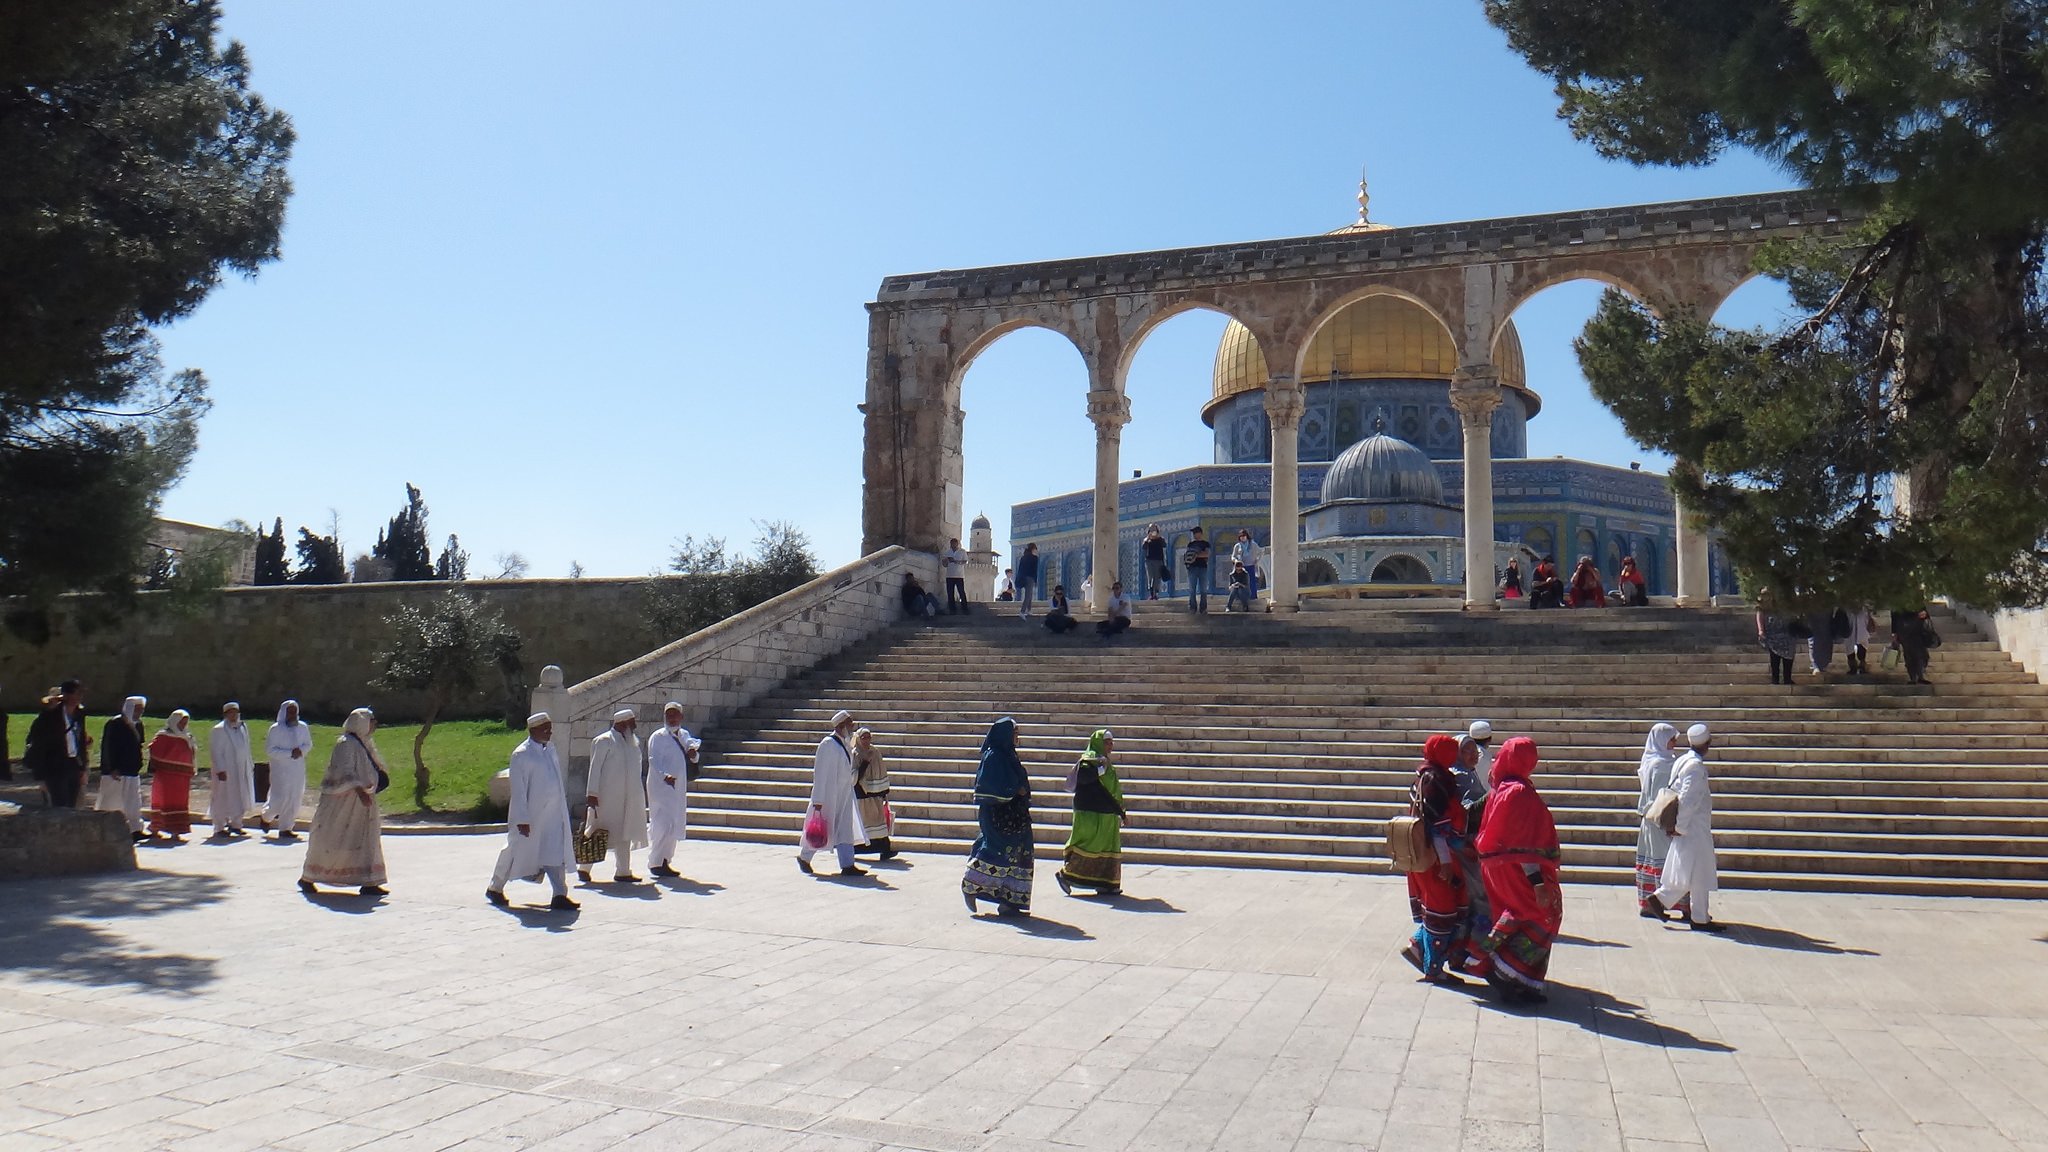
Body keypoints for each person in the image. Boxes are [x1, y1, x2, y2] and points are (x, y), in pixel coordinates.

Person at [1475, 736, 1563, 1003]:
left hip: (1497, 866)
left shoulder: (1502, 787)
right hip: (1516, 867)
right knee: (1543, 914)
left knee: (1517, 915)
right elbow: (1523, 842)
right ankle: (1506, 973)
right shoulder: (1518, 792)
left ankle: (1524, 981)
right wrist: (1536, 882)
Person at [487, 712, 578, 910]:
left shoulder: (549, 749)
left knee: (554, 851)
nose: (549, 732)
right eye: (545, 728)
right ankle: (495, 887)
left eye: (550, 728)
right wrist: (522, 818)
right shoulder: (522, 754)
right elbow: (519, 790)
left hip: (553, 815)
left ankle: (560, 894)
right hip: (531, 816)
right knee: (514, 850)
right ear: (533, 730)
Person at [1399, 734, 1470, 985]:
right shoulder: (1435, 781)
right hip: (1437, 860)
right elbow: (1438, 828)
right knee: (1442, 911)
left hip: (1425, 857)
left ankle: (1418, 946)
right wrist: (1447, 864)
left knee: (1441, 909)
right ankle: (1434, 967)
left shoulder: (1424, 776)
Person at [298, 708, 389, 897]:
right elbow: (343, 771)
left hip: (362, 802)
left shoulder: (365, 743)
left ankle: (369, 880)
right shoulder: (345, 744)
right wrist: (358, 789)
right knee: (333, 839)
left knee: (365, 838)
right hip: (343, 802)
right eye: (371, 720)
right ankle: (309, 877)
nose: (374, 725)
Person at [1645, 723, 1724, 931]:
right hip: (1693, 827)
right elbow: (1688, 799)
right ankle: (1688, 911)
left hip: (1689, 827)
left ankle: (1690, 911)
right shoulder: (1695, 767)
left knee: (1690, 870)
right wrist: (1680, 826)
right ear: (1707, 744)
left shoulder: (1683, 760)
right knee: (1695, 871)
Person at [962, 717, 1033, 916]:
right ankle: (972, 885)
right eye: (1014, 734)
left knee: (1020, 853)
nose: (1017, 738)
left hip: (1017, 815)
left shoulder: (1010, 755)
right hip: (997, 816)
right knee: (996, 849)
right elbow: (987, 788)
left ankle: (1010, 901)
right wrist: (1013, 790)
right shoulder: (993, 757)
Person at [798, 709, 866, 876]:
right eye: (850, 723)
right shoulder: (828, 744)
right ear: (841, 725)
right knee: (822, 829)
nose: (852, 727)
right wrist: (818, 800)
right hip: (828, 796)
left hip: (844, 794)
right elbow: (820, 773)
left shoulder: (845, 744)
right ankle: (804, 857)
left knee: (845, 828)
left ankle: (847, 864)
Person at [582, 708, 647, 883]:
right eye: (631, 723)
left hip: (628, 797)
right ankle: (584, 868)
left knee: (625, 832)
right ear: (623, 723)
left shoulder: (632, 743)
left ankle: (623, 871)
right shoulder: (603, 741)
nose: (634, 727)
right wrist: (592, 794)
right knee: (598, 830)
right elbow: (594, 769)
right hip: (606, 797)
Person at [1057, 729, 1124, 897]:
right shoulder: (1090, 760)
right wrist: (1101, 770)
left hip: (1107, 811)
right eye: (1107, 742)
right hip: (1091, 811)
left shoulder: (1105, 761)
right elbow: (1085, 778)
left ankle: (1106, 883)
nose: (1110, 745)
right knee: (1090, 844)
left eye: (1111, 742)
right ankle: (1066, 875)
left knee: (1107, 845)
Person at [1633, 723, 1689, 920]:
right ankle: (1657, 902)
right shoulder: (1658, 765)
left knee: (1660, 859)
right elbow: (1657, 796)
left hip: (1655, 819)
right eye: (1671, 739)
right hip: (1658, 819)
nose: (1674, 743)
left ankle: (1653, 903)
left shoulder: (1659, 761)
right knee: (1667, 861)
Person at [1451, 733, 1493, 976]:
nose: (1473, 755)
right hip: (1465, 845)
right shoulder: (1461, 776)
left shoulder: (1466, 773)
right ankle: (1473, 954)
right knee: (1480, 901)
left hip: (1467, 844)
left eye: (1473, 751)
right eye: (1466, 751)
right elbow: (1468, 810)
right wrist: (1495, 793)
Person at [646, 701, 698, 878]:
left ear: (681, 717)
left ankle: (665, 860)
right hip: (661, 787)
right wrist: (664, 775)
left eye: (674, 714)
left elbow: (693, 754)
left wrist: (694, 754)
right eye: (668, 714)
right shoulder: (658, 736)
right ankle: (655, 861)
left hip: (678, 786)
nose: (671, 717)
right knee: (662, 823)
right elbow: (654, 760)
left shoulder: (684, 735)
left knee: (674, 822)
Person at [25, 679, 89, 808]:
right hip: (55, 765)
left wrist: (82, 767)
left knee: (72, 804)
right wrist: (40, 776)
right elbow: (40, 744)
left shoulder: (79, 714)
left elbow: (80, 741)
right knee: (59, 804)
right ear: (66, 695)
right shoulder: (49, 716)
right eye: (77, 693)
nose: (79, 697)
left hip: (73, 764)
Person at [96, 695, 148, 841]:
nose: (139, 713)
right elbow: (107, 747)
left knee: (133, 802)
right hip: (116, 771)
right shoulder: (115, 723)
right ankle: (108, 828)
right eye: (137, 709)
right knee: (113, 801)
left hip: (131, 769)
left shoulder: (138, 724)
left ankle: (135, 829)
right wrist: (111, 767)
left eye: (141, 710)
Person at [263, 700, 313, 840]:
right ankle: (266, 817)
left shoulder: (302, 727)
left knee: (294, 798)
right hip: (281, 770)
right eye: (290, 711)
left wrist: (301, 751)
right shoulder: (275, 729)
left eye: (294, 711)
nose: (292, 714)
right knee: (279, 799)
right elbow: (270, 750)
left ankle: (286, 828)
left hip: (297, 769)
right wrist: (289, 753)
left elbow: (308, 744)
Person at [147, 711, 199, 841]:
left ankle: (175, 830)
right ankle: (156, 829)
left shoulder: (187, 737)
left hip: (181, 778)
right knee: (162, 801)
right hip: (165, 776)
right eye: (181, 721)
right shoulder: (163, 736)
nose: (183, 724)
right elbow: (154, 751)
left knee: (178, 802)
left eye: (185, 722)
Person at [208, 702, 257, 838]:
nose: (234, 715)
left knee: (240, 796)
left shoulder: (243, 727)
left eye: (236, 712)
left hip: (241, 769)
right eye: (231, 712)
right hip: (226, 770)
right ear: (225, 714)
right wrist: (220, 769)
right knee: (222, 796)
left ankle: (236, 824)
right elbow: (216, 751)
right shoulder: (219, 729)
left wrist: (249, 765)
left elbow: (246, 747)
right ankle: (219, 826)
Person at [852, 727, 897, 859]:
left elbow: (881, 770)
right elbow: (854, 776)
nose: (866, 740)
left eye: (868, 737)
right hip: (862, 793)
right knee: (865, 823)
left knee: (879, 822)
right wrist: (866, 761)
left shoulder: (875, 752)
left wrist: (884, 791)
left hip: (876, 793)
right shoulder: (855, 753)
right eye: (863, 738)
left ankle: (884, 849)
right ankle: (858, 850)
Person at [1757, 594, 1798, 686]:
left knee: (1789, 656)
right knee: (1774, 657)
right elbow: (1760, 612)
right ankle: (1775, 679)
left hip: (1788, 631)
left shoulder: (1788, 594)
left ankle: (1787, 679)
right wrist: (1761, 630)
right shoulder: (1766, 594)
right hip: (1773, 632)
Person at [1891, 605, 1937, 685]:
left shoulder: (1916, 597)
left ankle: (1920, 675)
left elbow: (1923, 610)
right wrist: (1894, 633)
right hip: (1904, 631)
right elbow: (1894, 615)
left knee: (1922, 655)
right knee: (1909, 655)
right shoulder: (1897, 598)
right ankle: (1913, 677)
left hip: (1918, 630)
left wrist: (1924, 614)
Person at [1183, 527, 1212, 613]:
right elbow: (1188, 556)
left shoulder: (1205, 544)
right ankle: (1193, 607)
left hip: (1202, 568)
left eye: (1196, 533)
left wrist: (1195, 555)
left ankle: (1203, 608)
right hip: (1192, 568)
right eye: (1194, 533)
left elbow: (1206, 554)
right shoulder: (1190, 544)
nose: (1195, 535)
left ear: (1200, 533)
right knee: (1192, 589)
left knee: (1203, 589)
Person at [1232, 529, 1263, 602]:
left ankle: (1253, 596)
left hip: (1251, 565)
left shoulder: (1253, 544)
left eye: (1244, 536)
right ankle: (1240, 597)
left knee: (1252, 581)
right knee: (1240, 582)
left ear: (1247, 536)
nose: (1243, 538)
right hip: (1241, 567)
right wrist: (1236, 561)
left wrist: (1257, 560)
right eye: (1241, 536)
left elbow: (1261, 551)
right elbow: (1233, 556)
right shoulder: (1237, 546)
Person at [940, 538, 969, 614]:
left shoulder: (962, 552)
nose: (953, 545)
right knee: (950, 593)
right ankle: (952, 610)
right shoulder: (947, 552)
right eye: (951, 543)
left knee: (961, 592)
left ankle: (965, 609)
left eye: (954, 543)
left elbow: (965, 561)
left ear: (957, 544)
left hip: (959, 576)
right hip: (949, 575)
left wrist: (956, 561)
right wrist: (946, 561)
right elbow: (944, 565)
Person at [1845, 605, 1876, 676]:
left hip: (1861, 618)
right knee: (1850, 643)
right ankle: (1853, 666)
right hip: (1850, 617)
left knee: (1862, 643)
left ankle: (1862, 665)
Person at [1141, 524, 1169, 600]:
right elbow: (1143, 547)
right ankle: (1151, 594)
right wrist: (1148, 538)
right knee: (1150, 577)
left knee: (1157, 578)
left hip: (1158, 560)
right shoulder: (1147, 539)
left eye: (1154, 528)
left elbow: (1164, 545)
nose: (1153, 530)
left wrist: (1158, 537)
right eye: (1151, 529)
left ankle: (1155, 593)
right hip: (1149, 561)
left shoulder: (1160, 539)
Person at [1016, 544, 1041, 620]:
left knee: (1029, 595)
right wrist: (1035, 580)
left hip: (1023, 577)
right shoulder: (1035, 558)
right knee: (1028, 595)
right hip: (1030, 578)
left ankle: (1029, 610)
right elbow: (1034, 570)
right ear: (1033, 549)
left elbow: (1020, 569)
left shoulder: (1023, 558)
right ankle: (1022, 612)